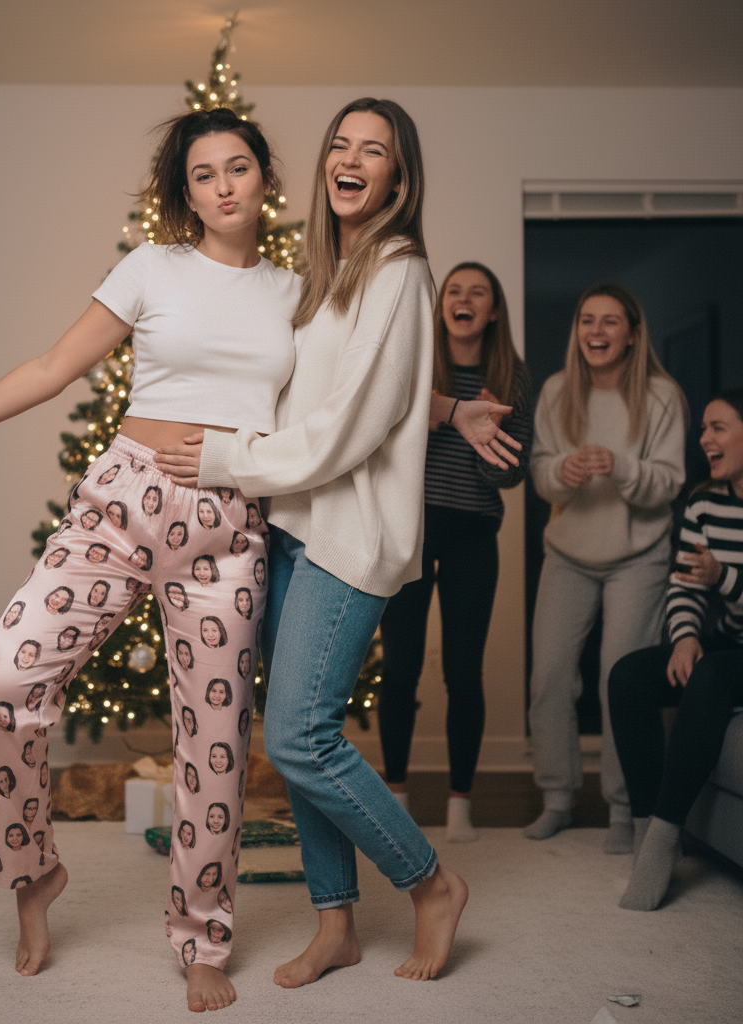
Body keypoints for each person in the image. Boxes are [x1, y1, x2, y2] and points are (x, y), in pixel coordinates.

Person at [0, 107, 299, 1010]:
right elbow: (53, 365)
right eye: (202, 175)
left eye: (237, 168)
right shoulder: (153, 267)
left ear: (265, 177)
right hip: (123, 502)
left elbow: (363, 393)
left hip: (227, 525)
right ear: (185, 193)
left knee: (213, 749)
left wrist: (454, 413)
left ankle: (202, 938)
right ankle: (33, 875)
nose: (222, 185)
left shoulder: (296, 295)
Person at [156, 98, 514, 986]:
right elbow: (329, 392)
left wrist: (227, 459)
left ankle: (430, 883)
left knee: (302, 736)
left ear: (399, 175)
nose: (352, 159)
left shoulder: (396, 267)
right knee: (296, 739)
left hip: (350, 539)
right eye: (341, 145)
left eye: (375, 151)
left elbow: (350, 424)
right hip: (293, 527)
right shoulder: (329, 270)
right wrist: (450, 407)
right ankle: (336, 925)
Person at [525, 284, 687, 852]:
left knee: (618, 681)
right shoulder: (555, 391)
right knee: (548, 678)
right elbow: (539, 471)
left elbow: (669, 482)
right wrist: (562, 473)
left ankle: (624, 808)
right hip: (568, 555)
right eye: (587, 320)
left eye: (610, 322)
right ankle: (558, 798)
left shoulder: (663, 397)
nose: (596, 331)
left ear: (633, 333)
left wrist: (620, 467)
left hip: (638, 559)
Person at [377, 262, 531, 841]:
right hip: (410, 530)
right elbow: (382, 446)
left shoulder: (510, 376)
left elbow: (513, 477)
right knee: (400, 668)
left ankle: (460, 805)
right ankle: (395, 797)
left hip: (473, 534)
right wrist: (440, 420)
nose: (464, 299)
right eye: (455, 290)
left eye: (479, 293)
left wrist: (489, 439)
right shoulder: (416, 364)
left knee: (464, 673)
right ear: (442, 305)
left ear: (492, 312)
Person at [609, 387, 743, 910]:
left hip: (732, 656)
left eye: (718, 427)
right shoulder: (704, 501)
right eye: (704, 428)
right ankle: (647, 833)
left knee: (710, 676)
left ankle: (666, 841)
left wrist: (726, 577)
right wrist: (685, 636)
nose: (704, 438)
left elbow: (714, 576)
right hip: (725, 640)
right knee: (628, 676)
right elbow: (686, 584)